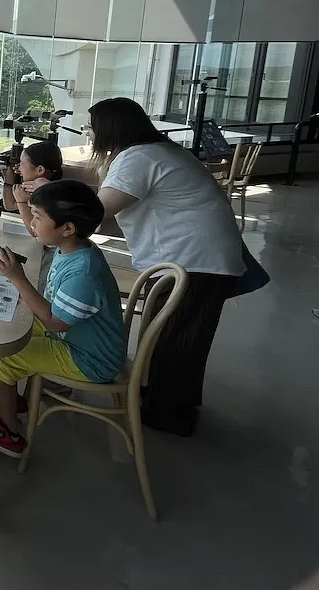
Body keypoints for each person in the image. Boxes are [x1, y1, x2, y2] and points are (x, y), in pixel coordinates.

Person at [86, 96, 245, 437]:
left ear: (110, 129)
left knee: (178, 338)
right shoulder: (158, 150)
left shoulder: (138, 158)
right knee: (177, 334)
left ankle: (171, 416)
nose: (90, 135)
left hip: (194, 259)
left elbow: (97, 212)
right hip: (200, 256)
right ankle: (165, 402)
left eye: (93, 128)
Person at [0, 180, 124, 458]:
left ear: (67, 228)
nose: (32, 223)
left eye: (37, 217)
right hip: (76, 337)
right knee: (9, 324)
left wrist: (16, 278)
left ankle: (9, 432)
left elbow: (55, 322)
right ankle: (9, 400)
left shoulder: (83, 274)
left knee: (5, 356)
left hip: (88, 358)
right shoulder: (74, 250)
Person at [2, 139, 64, 235]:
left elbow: (35, 232)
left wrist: (9, 179)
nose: (18, 167)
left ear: (40, 170)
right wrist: (25, 170)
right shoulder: (56, 184)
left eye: (21, 164)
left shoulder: (38, 188)